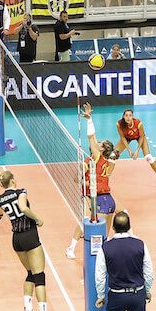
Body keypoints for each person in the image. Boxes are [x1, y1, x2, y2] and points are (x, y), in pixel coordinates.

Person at [0, 168, 57, 311]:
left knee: (30, 273)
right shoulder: (21, 192)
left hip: (16, 239)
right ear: (13, 181)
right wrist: (38, 219)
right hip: (30, 235)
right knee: (39, 276)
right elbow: (23, 208)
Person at [95, 211, 154, 311]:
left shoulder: (105, 247)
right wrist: (147, 291)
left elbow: (100, 275)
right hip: (137, 295)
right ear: (129, 227)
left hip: (117, 296)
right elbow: (149, 271)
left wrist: (101, 295)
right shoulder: (140, 244)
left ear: (113, 228)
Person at [68, 102, 117, 259]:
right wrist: (86, 179)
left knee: (93, 223)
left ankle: (95, 248)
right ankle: (72, 247)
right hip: (96, 196)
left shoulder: (98, 158)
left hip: (100, 195)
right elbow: (77, 179)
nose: (97, 142)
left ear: (102, 149)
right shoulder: (97, 161)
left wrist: (89, 120)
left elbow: (91, 137)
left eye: (100, 143)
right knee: (90, 223)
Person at [114, 109, 156, 191]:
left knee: (149, 157)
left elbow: (142, 136)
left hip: (139, 137)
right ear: (123, 117)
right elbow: (122, 137)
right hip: (126, 138)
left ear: (132, 117)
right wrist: (129, 150)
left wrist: (137, 151)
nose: (128, 117)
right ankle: (104, 180)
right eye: (126, 115)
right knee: (113, 155)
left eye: (130, 115)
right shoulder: (119, 124)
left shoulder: (138, 123)